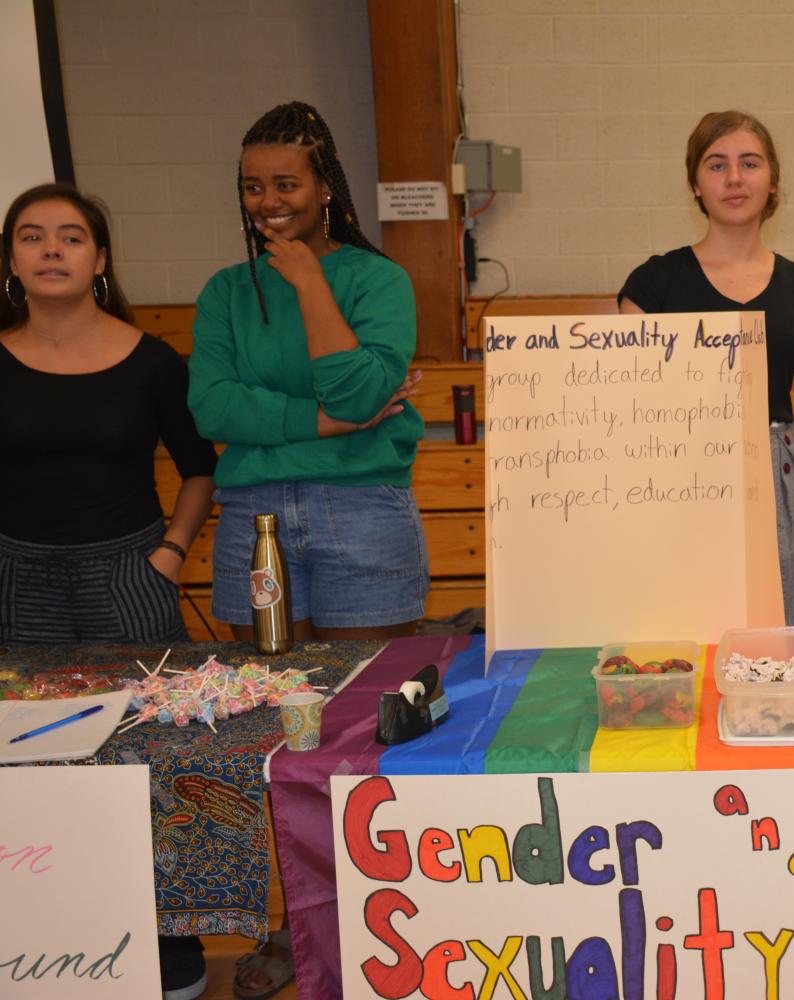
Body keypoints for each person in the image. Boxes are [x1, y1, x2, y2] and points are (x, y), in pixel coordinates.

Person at [186, 100, 427, 999]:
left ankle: (390, 912)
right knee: (276, 734)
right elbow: (213, 409)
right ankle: (297, 927)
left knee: (373, 723)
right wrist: (331, 421)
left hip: (363, 510)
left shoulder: (377, 280)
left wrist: (311, 286)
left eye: (286, 183)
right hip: (256, 521)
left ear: (326, 188)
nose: (268, 202)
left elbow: (364, 378)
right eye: (253, 187)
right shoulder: (222, 293)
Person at [0, 182, 218, 998]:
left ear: (100, 258)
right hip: (15, 582)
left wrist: (169, 554)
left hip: (130, 577)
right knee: (30, 768)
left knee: (151, 766)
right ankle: (48, 948)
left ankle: (171, 954)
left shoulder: (153, 357)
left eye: (70, 236)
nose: (51, 249)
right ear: (11, 260)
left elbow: (200, 469)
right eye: (31, 236)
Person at [618, 110, 794, 626]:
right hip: (680, 481)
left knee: (786, 650)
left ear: (772, 180)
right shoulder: (653, 284)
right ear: (695, 185)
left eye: (750, 163)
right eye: (716, 165)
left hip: (779, 483)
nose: (735, 178)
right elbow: (629, 418)